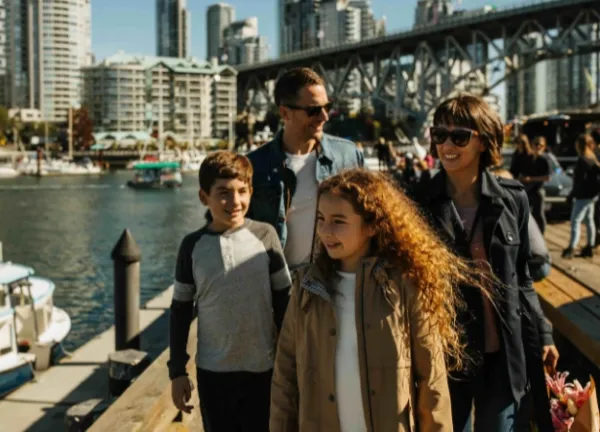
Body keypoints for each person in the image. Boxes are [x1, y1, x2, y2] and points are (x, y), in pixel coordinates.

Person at [270, 169, 489, 431]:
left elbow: (432, 381)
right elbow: (285, 376)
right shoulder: (306, 287)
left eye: (339, 221)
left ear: (373, 225)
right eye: (320, 218)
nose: (326, 230)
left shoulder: (405, 286)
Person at [414, 94, 558, 432]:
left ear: (484, 141)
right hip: (448, 358)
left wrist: (546, 334)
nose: (446, 144)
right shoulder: (418, 202)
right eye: (439, 134)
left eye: (459, 136)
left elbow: (522, 277)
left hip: (504, 358)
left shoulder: (513, 199)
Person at [168, 151, 292, 432]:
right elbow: (180, 311)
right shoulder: (192, 246)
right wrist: (177, 371)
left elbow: (285, 302)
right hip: (214, 372)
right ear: (204, 197)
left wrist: (292, 362)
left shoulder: (266, 236)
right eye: (223, 193)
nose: (234, 202)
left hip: (264, 368)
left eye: (242, 191)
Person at [247, 67, 362, 273]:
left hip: (333, 280)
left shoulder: (348, 155)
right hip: (277, 287)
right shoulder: (254, 166)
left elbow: (367, 217)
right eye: (313, 110)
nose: (325, 117)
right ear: (284, 113)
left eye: (328, 107)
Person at [562, 134, 600, 259]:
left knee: (575, 221)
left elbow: (578, 182)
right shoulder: (593, 159)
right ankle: (590, 245)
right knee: (589, 221)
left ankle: (572, 247)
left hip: (582, 196)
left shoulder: (582, 160)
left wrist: (571, 195)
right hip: (592, 195)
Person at [519, 136, 552, 233]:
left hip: (538, 189)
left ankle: (541, 235)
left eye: (540, 145)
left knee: (539, 214)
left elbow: (547, 178)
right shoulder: (529, 158)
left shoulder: (545, 159)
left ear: (544, 147)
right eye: (536, 144)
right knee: (526, 213)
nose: (538, 147)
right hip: (528, 189)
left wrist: (531, 179)